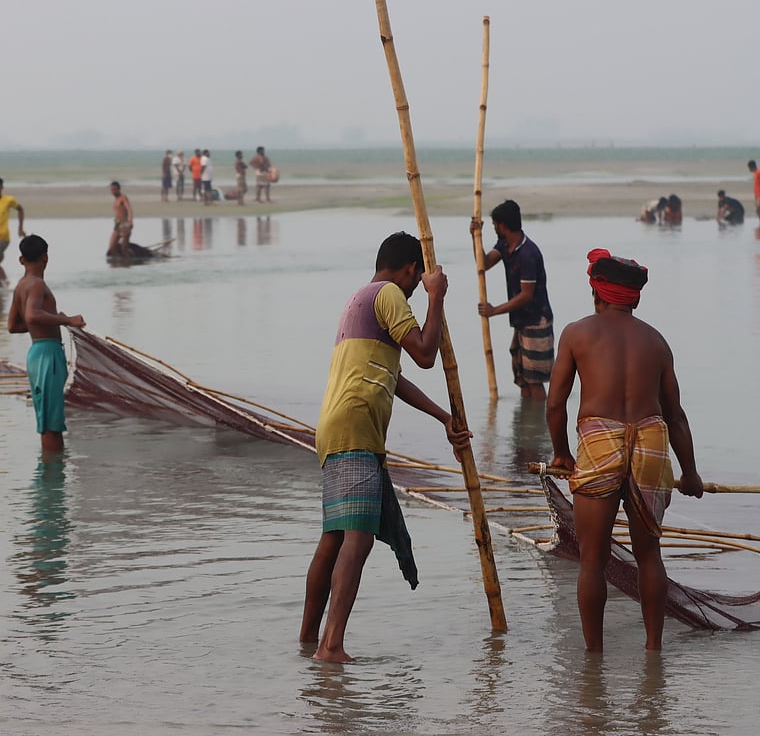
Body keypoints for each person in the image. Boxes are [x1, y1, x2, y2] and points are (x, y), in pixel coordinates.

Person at [300, 232, 471, 663]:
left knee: (334, 537)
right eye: (418, 280)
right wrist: (437, 298)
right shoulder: (390, 294)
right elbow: (425, 353)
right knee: (358, 537)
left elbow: (392, 376)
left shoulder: (359, 300)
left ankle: (308, 640)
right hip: (357, 424)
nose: (416, 288)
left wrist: (443, 417)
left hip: (336, 427)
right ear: (411, 270)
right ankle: (331, 645)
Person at [546, 249, 703, 652]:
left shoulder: (578, 333)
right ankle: (654, 649)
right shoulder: (656, 341)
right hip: (651, 441)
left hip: (599, 438)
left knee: (592, 559)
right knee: (649, 554)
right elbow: (676, 416)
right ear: (634, 298)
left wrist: (562, 454)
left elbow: (555, 404)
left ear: (597, 294)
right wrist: (690, 473)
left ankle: (594, 657)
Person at [7, 235, 86, 454]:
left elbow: (13, 326)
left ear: (21, 260)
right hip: (47, 354)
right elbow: (32, 316)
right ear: (46, 258)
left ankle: (50, 480)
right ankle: (53, 474)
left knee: (48, 419)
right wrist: (66, 320)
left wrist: (48, 321)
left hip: (36, 353)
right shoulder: (37, 285)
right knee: (52, 424)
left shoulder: (21, 286)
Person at [472, 199, 554, 400]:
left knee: (534, 380)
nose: (494, 228)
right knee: (522, 378)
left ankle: (539, 427)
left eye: (494, 225)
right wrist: (475, 237)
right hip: (521, 321)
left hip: (536, 320)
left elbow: (526, 295)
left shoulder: (528, 253)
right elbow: (483, 263)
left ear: (502, 225)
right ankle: (528, 428)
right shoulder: (505, 245)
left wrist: (494, 311)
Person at [108, 181, 134, 259]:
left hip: (125, 224)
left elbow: (129, 209)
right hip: (117, 224)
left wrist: (130, 221)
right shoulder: (116, 200)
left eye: (115, 189)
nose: (113, 191)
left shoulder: (123, 198)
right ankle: (119, 264)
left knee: (124, 249)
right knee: (112, 248)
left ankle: (127, 264)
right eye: (112, 190)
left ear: (119, 189)